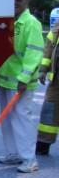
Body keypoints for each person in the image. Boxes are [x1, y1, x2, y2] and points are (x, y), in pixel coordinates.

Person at [0, 0, 44, 173]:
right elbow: (3, 52)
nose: (15, 2)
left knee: (22, 119)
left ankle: (30, 159)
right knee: (8, 119)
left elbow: (34, 53)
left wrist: (24, 79)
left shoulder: (30, 23)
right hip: (8, 80)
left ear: (26, 1)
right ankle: (13, 153)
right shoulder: (8, 22)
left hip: (21, 83)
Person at [35, 15, 59, 155]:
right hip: (57, 80)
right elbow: (48, 47)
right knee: (49, 110)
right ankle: (43, 143)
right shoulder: (58, 24)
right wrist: (43, 70)